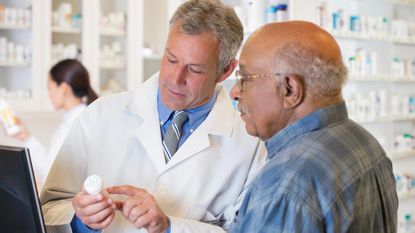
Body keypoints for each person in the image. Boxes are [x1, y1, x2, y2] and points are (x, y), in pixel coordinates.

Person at [40, 1, 265, 233]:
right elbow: (47, 210)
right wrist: (80, 221)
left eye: (195, 69)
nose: (175, 78)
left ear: (226, 70)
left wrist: (170, 228)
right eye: (171, 59)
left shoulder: (250, 145)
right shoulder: (99, 115)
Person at [228, 21, 398, 233]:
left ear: (290, 90)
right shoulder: (363, 140)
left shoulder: (286, 183)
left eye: (244, 78)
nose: (234, 92)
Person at [10, 59, 98, 189]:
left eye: (50, 88)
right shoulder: (70, 120)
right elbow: (50, 166)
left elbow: (55, 176)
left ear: (63, 88)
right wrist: (26, 137)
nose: (49, 95)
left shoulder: (80, 123)